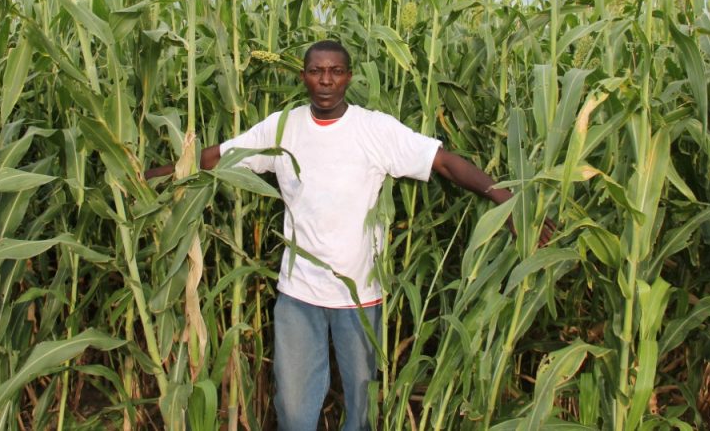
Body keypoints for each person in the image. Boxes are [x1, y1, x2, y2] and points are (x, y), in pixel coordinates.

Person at [148, 40, 535, 431]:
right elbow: (220, 156)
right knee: (295, 413)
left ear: (349, 76)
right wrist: (153, 176)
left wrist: (508, 202)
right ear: (304, 77)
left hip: (361, 298)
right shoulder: (283, 127)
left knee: (361, 414)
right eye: (316, 71)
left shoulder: (374, 128)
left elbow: (445, 162)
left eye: (335, 71)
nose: (326, 80)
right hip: (299, 294)